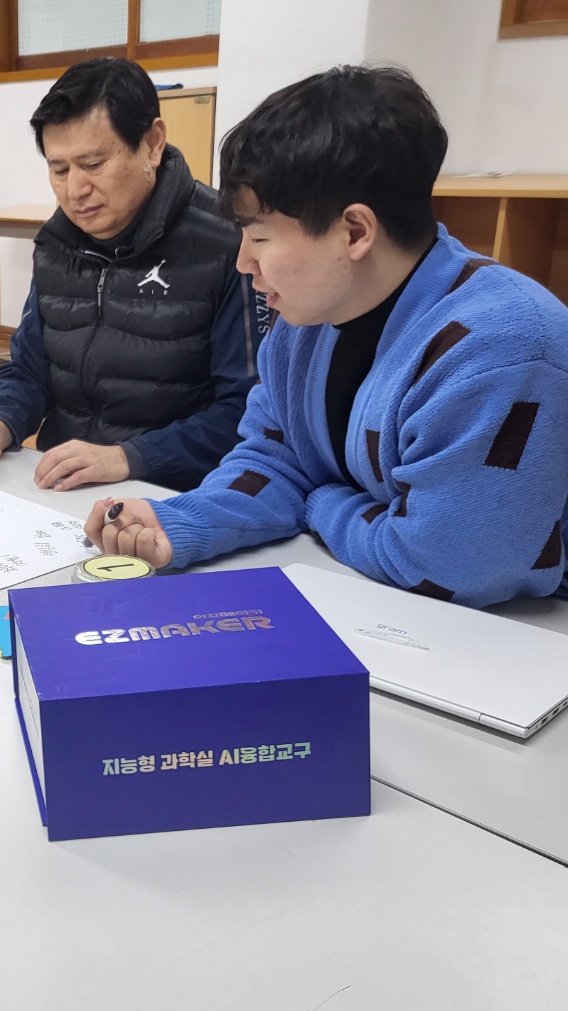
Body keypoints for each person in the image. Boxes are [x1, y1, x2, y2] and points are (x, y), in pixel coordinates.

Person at [87, 66, 568, 609]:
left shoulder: (502, 348)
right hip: (389, 604)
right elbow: (275, 459)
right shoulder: (305, 320)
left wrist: (320, 501)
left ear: (355, 232)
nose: (244, 263)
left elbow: (444, 566)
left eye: (259, 238)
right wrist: (181, 521)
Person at [0, 58, 265, 493]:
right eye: (59, 170)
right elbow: (29, 370)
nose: (75, 191)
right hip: (61, 486)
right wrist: (0, 422)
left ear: (152, 144)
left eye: (94, 164)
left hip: (169, 495)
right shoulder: (57, 243)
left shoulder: (229, 245)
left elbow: (247, 410)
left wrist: (129, 457)